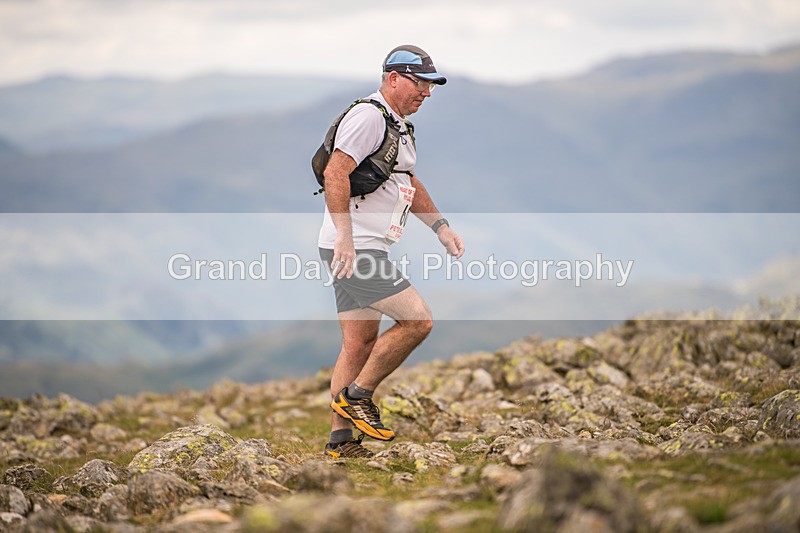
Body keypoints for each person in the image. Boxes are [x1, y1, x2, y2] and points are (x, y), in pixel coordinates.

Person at [317, 44, 465, 458]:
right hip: (355, 247)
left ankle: (341, 442)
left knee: (359, 345)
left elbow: (408, 184)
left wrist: (439, 226)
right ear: (393, 78)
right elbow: (336, 171)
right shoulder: (369, 116)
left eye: (431, 85)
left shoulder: (398, 125)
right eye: (420, 83)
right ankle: (358, 394)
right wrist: (345, 235)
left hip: (359, 246)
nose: (427, 92)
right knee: (418, 321)